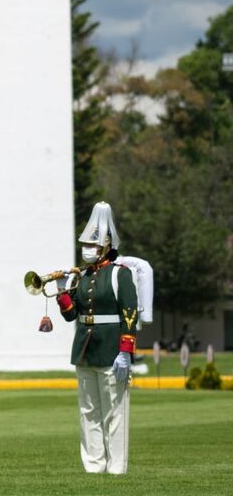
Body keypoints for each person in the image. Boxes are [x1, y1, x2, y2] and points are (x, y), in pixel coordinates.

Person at [52, 202, 141, 474]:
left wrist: (125, 351)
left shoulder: (119, 274)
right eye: (85, 245)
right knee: (88, 411)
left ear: (105, 246)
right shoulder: (84, 276)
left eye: (91, 245)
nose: (86, 250)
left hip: (111, 349)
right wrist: (61, 292)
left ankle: (116, 467)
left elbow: (129, 313)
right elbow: (72, 315)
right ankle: (94, 465)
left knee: (114, 412)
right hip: (85, 349)